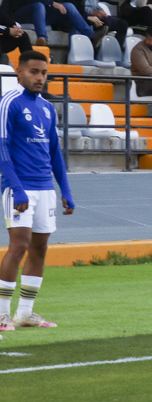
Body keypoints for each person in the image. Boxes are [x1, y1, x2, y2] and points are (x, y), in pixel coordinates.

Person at [0, 51, 75, 334]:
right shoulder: (9, 103)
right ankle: (2, 315)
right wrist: (16, 188)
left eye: (44, 72)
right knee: (19, 244)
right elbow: (2, 147)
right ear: (20, 73)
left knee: (39, 248)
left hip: (45, 189)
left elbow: (54, 152)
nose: (40, 77)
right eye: (34, 71)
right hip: (18, 188)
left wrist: (65, 189)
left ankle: (25, 313)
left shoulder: (46, 108)